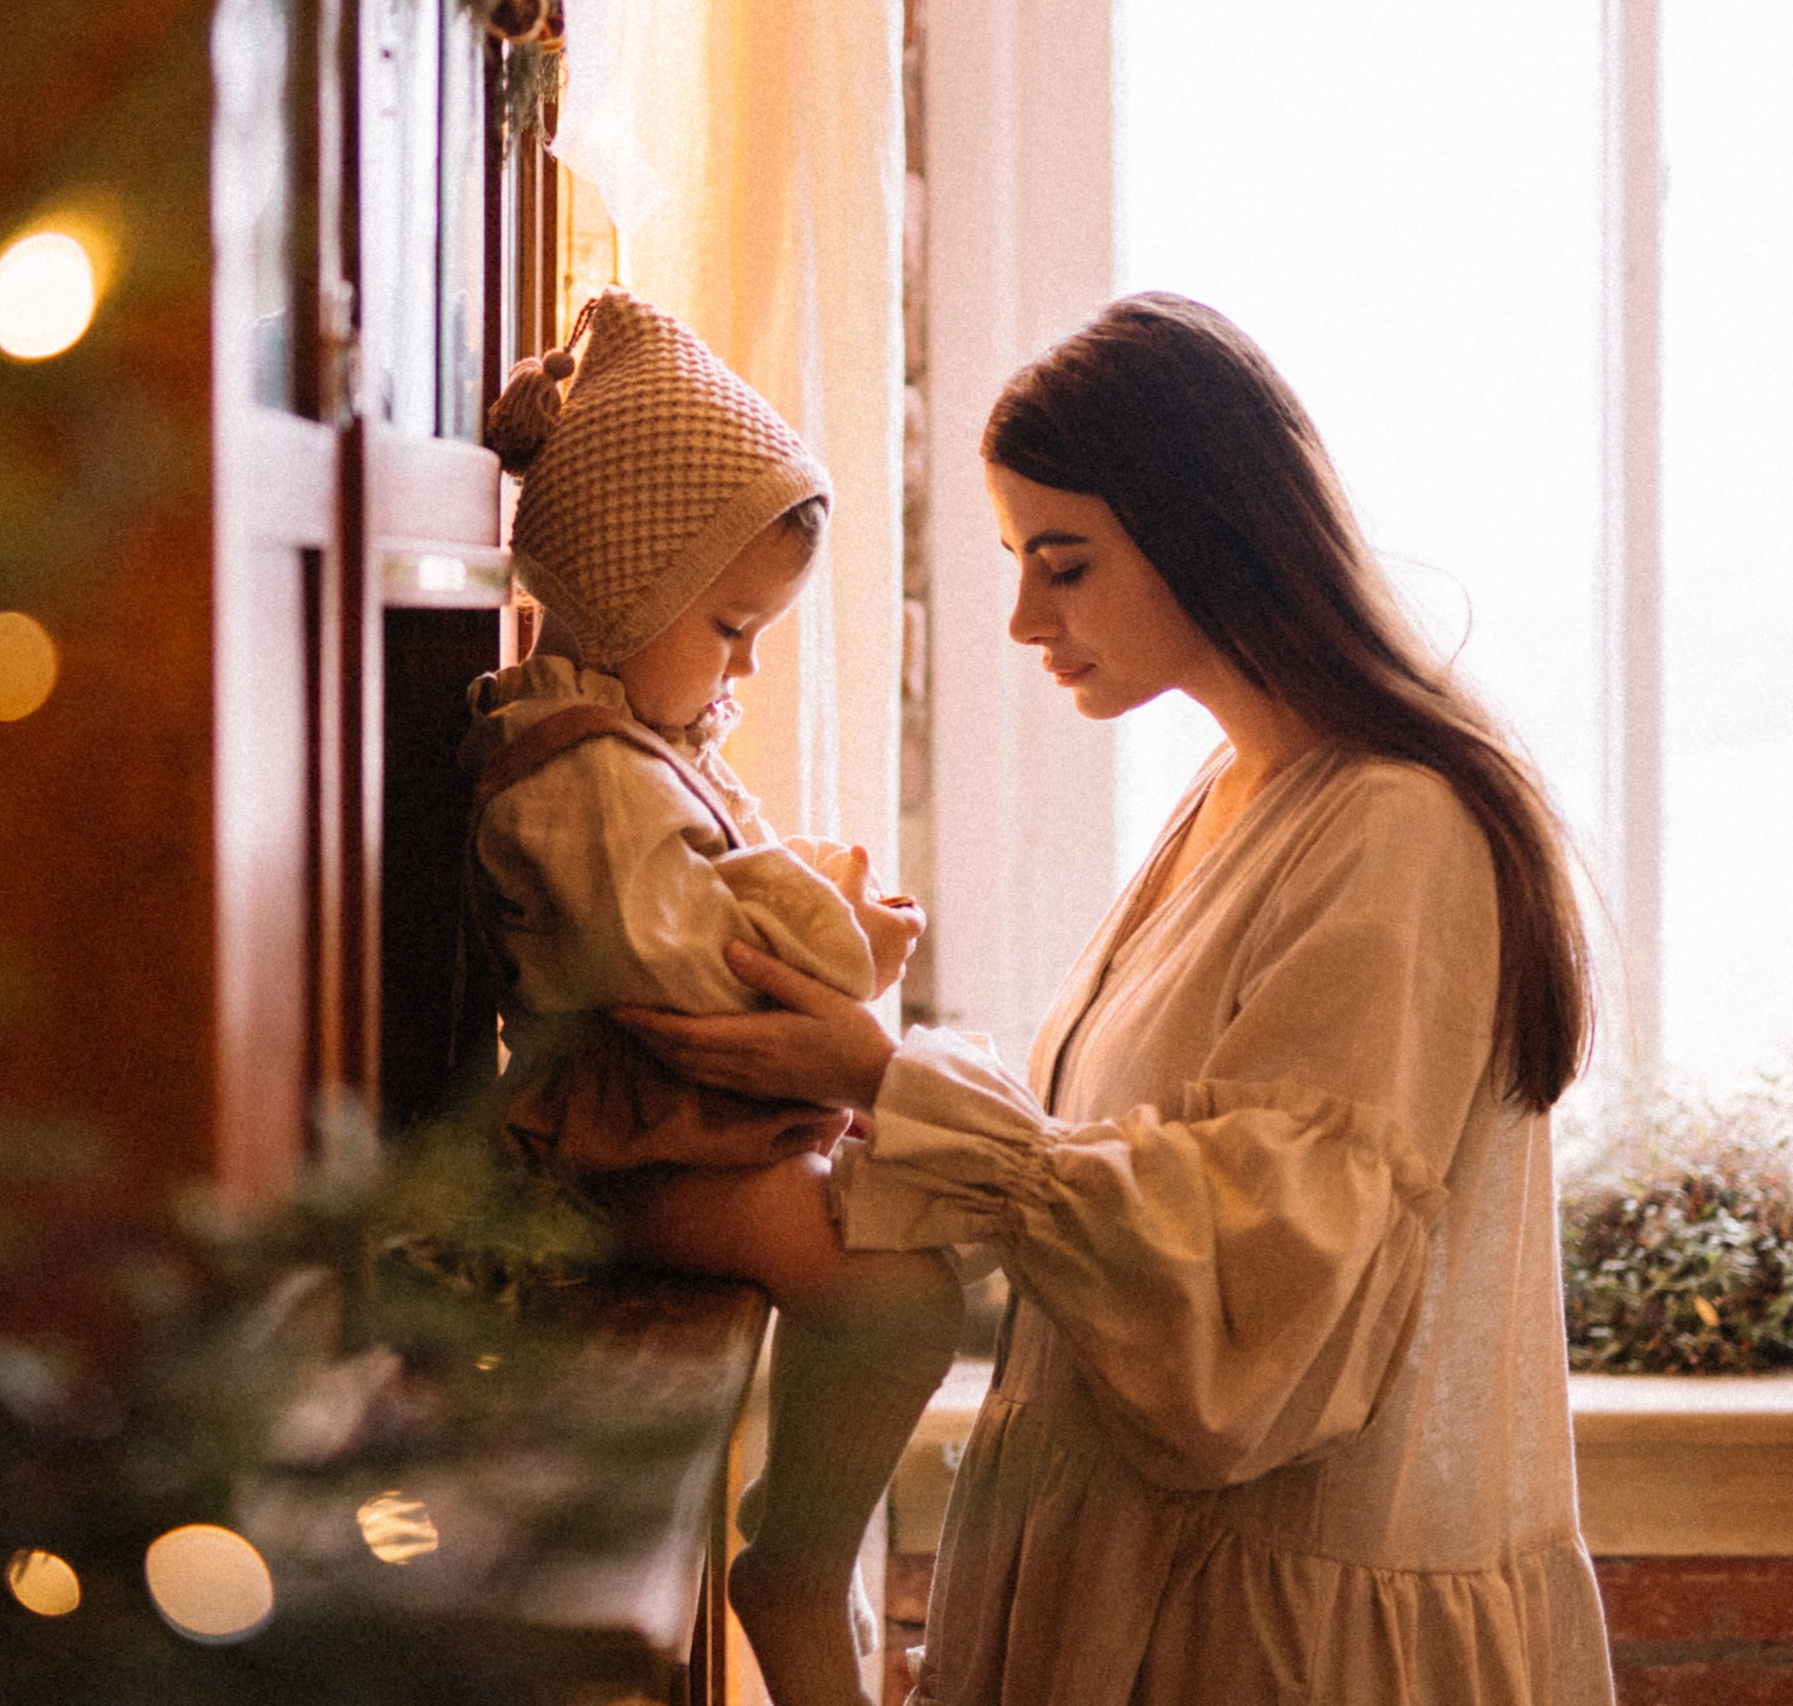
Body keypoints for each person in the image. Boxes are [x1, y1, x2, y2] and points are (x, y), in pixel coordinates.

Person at [618, 293, 1617, 1705]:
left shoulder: (1402, 830)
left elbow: (1261, 1312)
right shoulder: (1241, 791)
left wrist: (890, 1083)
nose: (1027, 617)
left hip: (1279, 1649)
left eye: (1064, 563)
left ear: (1209, 530)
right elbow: (1134, 1184)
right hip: (1156, 1592)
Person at [467, 287, 965, 1706]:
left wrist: (811, 890)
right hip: (614, 1153)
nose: (745, 665)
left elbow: (715, 878)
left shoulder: (629, 742)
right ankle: (797, 1568)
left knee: (912, 1234)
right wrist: (838, 940)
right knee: (887, 1284)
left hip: (681, 1120)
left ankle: (810, 1557)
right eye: (732, 625)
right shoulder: (574, 770)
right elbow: (682, 955)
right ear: (628, 590)